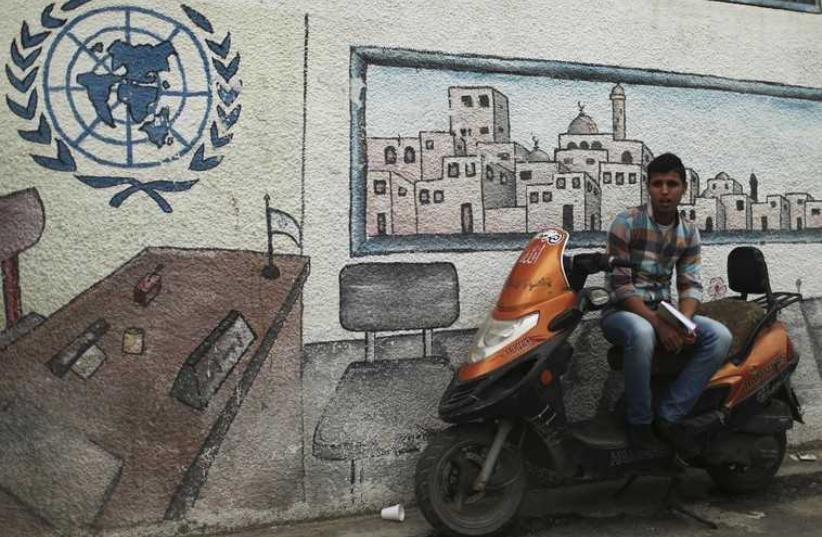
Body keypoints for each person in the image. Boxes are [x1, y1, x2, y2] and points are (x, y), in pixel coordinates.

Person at [601, 152, 732, 456]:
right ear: (648, 187)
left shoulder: (689, 231)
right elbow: (621, 287)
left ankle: (670, 416)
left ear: (683, 188)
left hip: (664, 310)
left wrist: (683, 323)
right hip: (622, 313)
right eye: (658, 183)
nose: (664, 191)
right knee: (642, 332)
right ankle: (640, 424)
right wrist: (659, 325)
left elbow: (689, 285)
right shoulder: (626, 223)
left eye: (672, 184)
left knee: (718, 336)